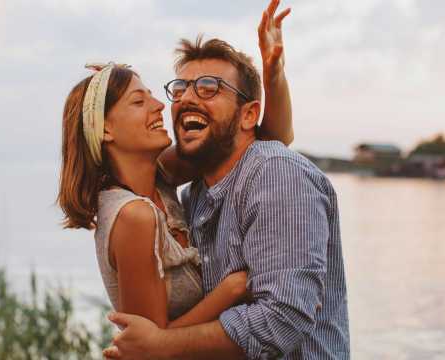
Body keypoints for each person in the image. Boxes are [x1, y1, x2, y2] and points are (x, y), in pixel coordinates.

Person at [102, 1, 351, 359]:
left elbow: (284, 318)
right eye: (181, 88)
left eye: (208, 87)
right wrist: (101, 93)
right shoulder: (192, 192)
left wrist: (161, 345)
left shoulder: (275, 174)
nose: (186, 97)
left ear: (249, 114)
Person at [57, 0, 294, 336]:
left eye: (153, 96)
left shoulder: (158, 177)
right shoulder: (134, 216)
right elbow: (151, 347)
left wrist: (273, 73)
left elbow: (269, 139)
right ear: (106, 130)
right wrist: (229, 291)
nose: (159, 106)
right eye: (139, 102)